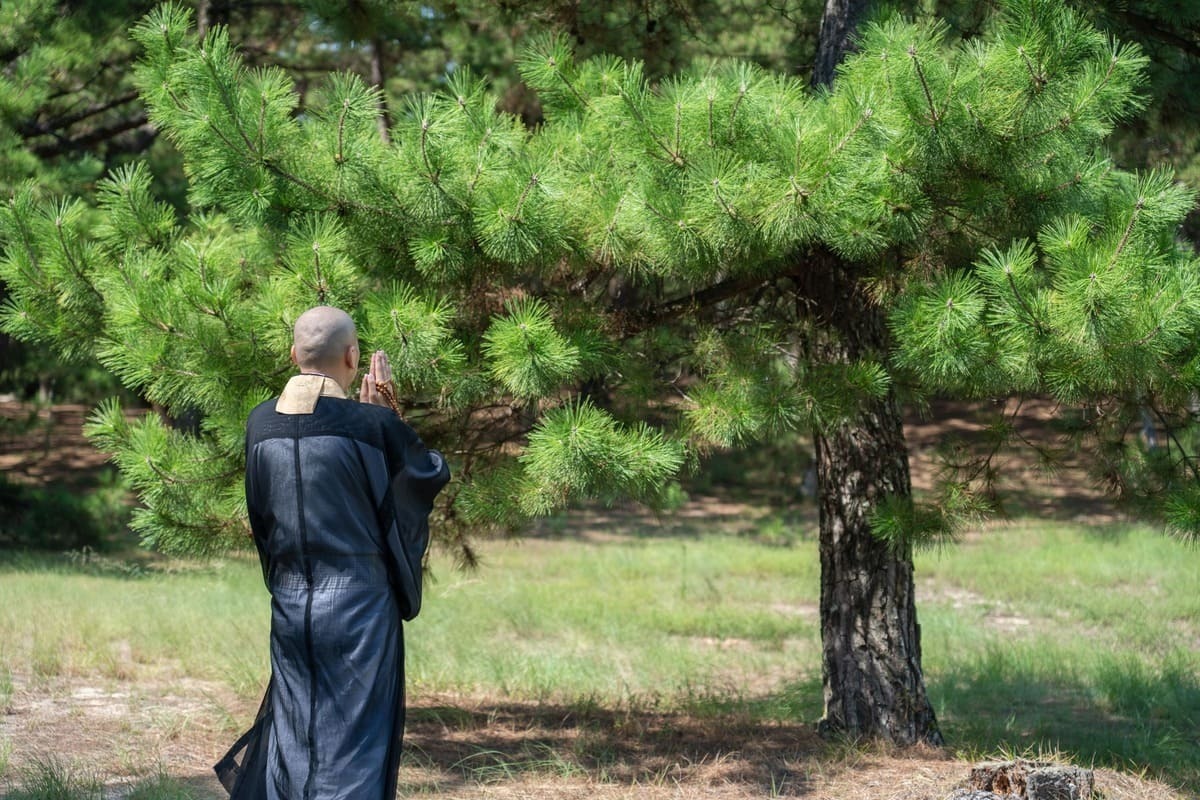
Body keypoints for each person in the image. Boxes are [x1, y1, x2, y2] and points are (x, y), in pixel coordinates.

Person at [216, 305, 450, 800]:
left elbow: (261, 517)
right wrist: (389, 413)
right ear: (353, 355)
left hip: (290, 601)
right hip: (360, 607)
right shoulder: (371, 426)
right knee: (356, 747)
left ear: (292, 353)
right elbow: (427, 474)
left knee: (293, 741)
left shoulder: (260, 425)